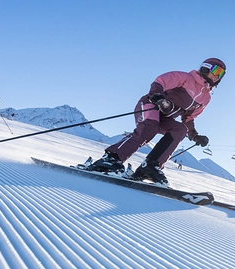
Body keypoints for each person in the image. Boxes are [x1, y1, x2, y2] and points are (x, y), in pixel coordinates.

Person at [90, 58, 226, 186]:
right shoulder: (186, 78)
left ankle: (150, 167)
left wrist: (194, 135)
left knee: (180, 130)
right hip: (151, 104)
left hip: (165, 118)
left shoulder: (205, 98)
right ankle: (112, 159)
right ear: (205, 68)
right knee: (150, 127)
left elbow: (189, 118)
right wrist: (158, 97)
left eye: (221, 74)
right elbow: (161, 81)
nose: (217, 76)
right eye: (216, 71)